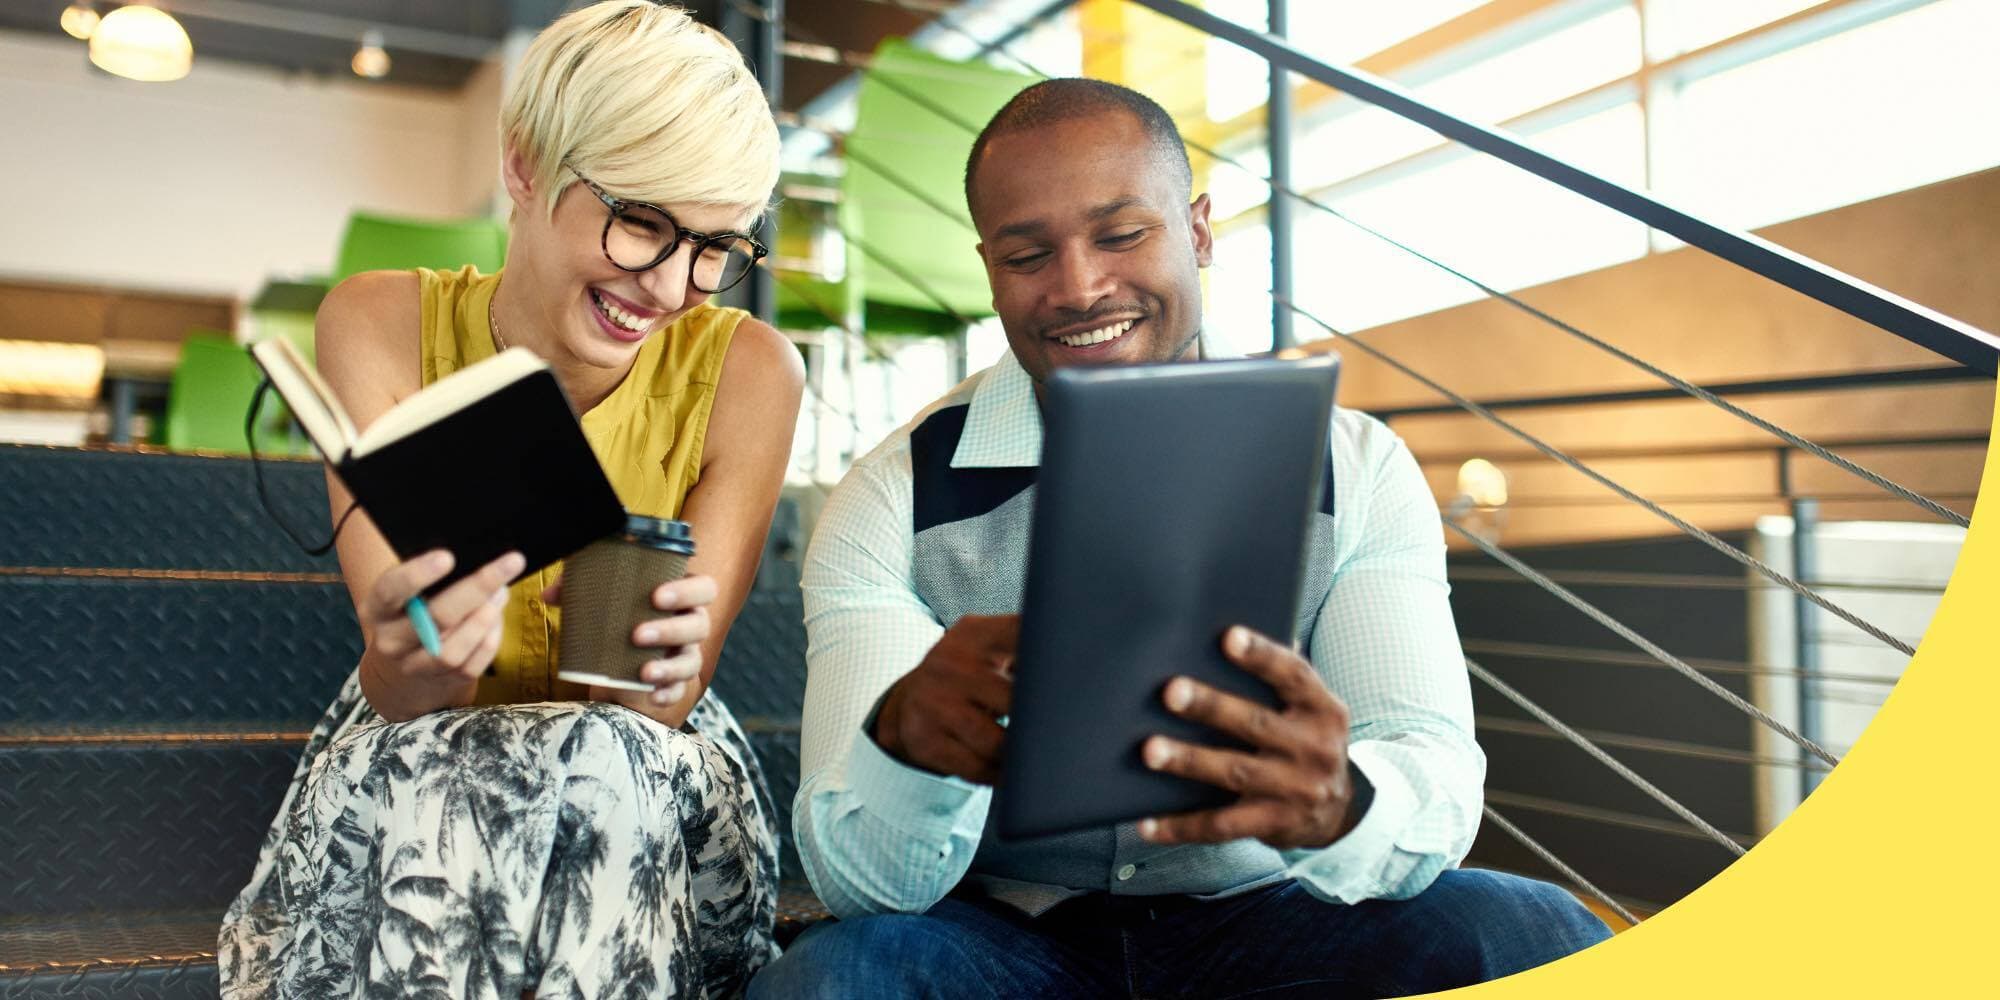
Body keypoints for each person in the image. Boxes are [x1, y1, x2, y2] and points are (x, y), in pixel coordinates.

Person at [749, 79, 1609, 999]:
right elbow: (860, 884)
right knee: (835, 978)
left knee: (1538, 933)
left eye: (1121, 235)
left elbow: (1427, 765)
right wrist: (905, 748)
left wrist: (1344, 804)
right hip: (1005, 937)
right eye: (1029, 253)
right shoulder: (892, 498)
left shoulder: (1353, 467)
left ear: (1198, 231)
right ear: (990, 267)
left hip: (1274, 916)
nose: (1079, 287)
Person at [217, 3, 804, 996]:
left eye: (716, 247)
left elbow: (659, 705)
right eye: (640, 223)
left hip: (637, 759)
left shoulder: (750, 370)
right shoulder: (378, 322)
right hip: (424, 746)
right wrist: (412, 652)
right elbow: (403, 689)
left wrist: (648, 657)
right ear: (525, 165)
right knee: (458, 796)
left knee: (590, 764)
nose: (669, 286)